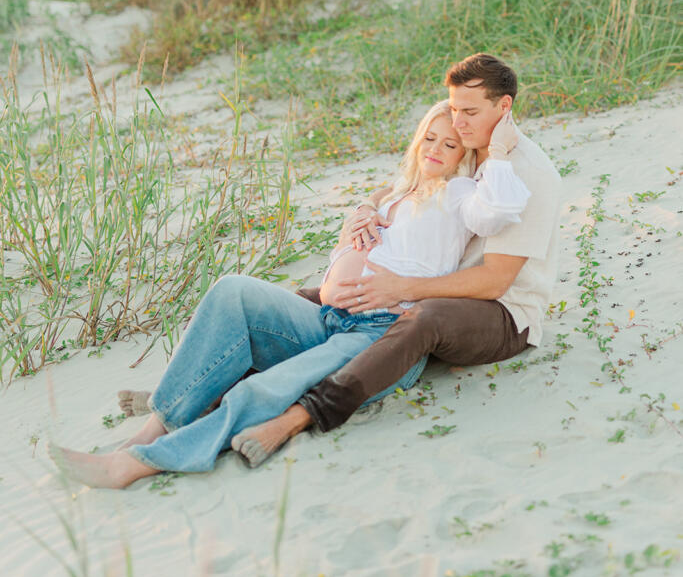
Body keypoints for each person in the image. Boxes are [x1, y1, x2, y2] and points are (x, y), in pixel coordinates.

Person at [50, 96, 529, 488]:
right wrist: (361, 214)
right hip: (329, 318)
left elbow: (500, 212)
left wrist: (501, 152)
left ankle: (140, 463)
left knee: (267, 387)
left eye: (449, 143)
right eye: (429, 137)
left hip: (379, 337)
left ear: (463, 153)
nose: (435, 148)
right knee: (232, 290)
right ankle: (154, 425)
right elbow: (375, 208)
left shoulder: (463, 195)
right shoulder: (398, 192)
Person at [229, 52, 562, 458]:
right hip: (433, 284)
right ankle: (220, 391)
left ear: (504, 107)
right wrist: (366, 210)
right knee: (313, 298)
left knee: (422, 317)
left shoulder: (528, 173)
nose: (457, 122)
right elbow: (400, 189)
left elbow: (495, 280)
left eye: (469, 112)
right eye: (454, 109)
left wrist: (402, 287)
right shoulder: (469, 144)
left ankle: (299, 416)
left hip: (503, 313)